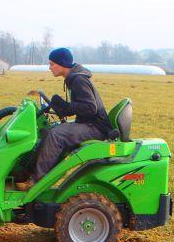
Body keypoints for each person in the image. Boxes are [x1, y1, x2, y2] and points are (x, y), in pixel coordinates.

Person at [16, 48, 111, 191]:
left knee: (56, 135)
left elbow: (90, 108)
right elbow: (81, 107)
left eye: (52, 64)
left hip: (96, 127)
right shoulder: (73, 78)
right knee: (48, 131)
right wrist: (64, 108)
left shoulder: (79, 80)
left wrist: (66, 106)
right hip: (87, 123)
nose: (50, 68)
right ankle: (25, 173)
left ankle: (37, 181)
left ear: (62, 64)